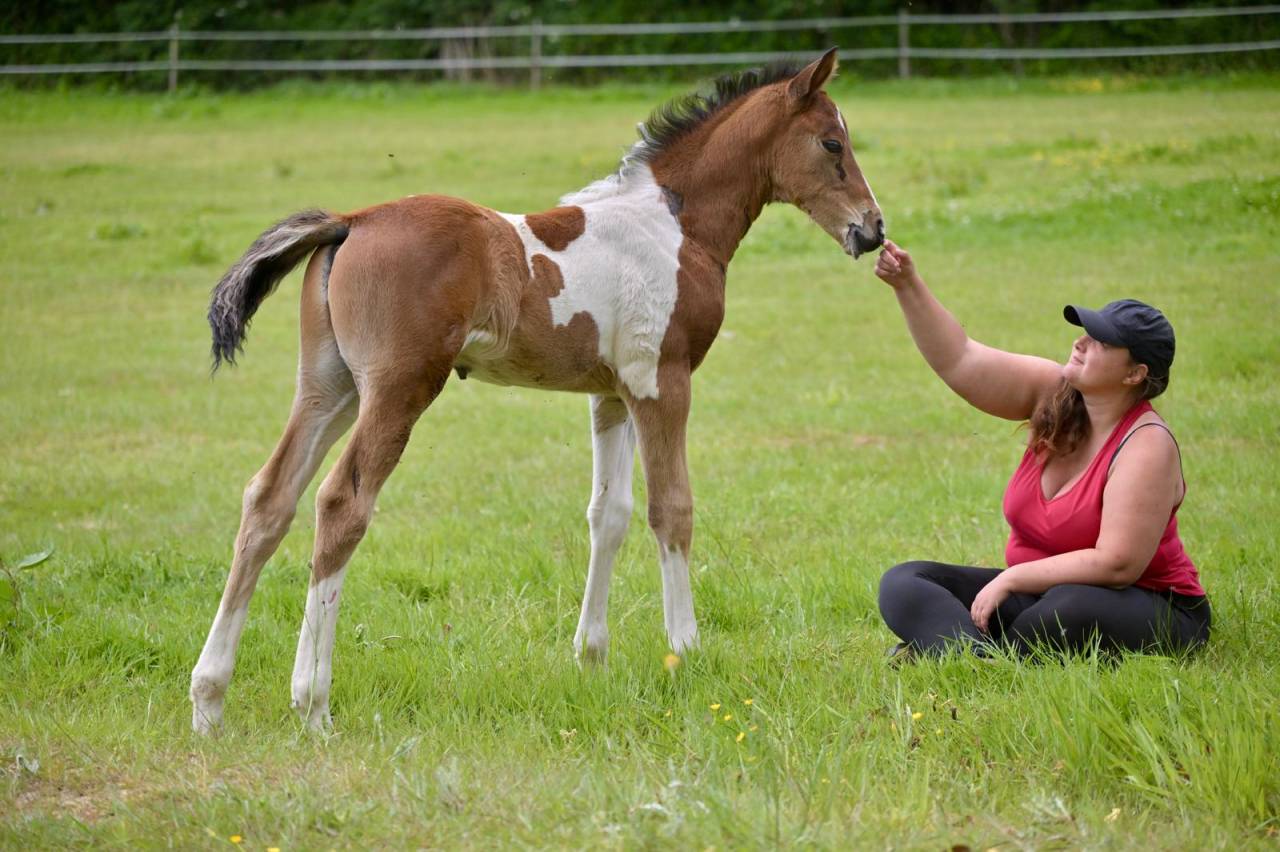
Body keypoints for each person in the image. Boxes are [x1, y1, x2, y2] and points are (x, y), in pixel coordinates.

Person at [873, 240, 1209, 660]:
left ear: (1135, 374)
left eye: (1103, 341)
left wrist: (1011, 580)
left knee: (1068, 609)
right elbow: (961, 359)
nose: (1082, 342)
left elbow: (1118, 565)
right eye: (1087, 331)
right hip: (1041, 593)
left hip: (1151, 606)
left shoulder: (1147, 444)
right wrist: (907, 285)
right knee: (905, 582)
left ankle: (956, 651)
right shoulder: (1055, 395)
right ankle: (971, 657)